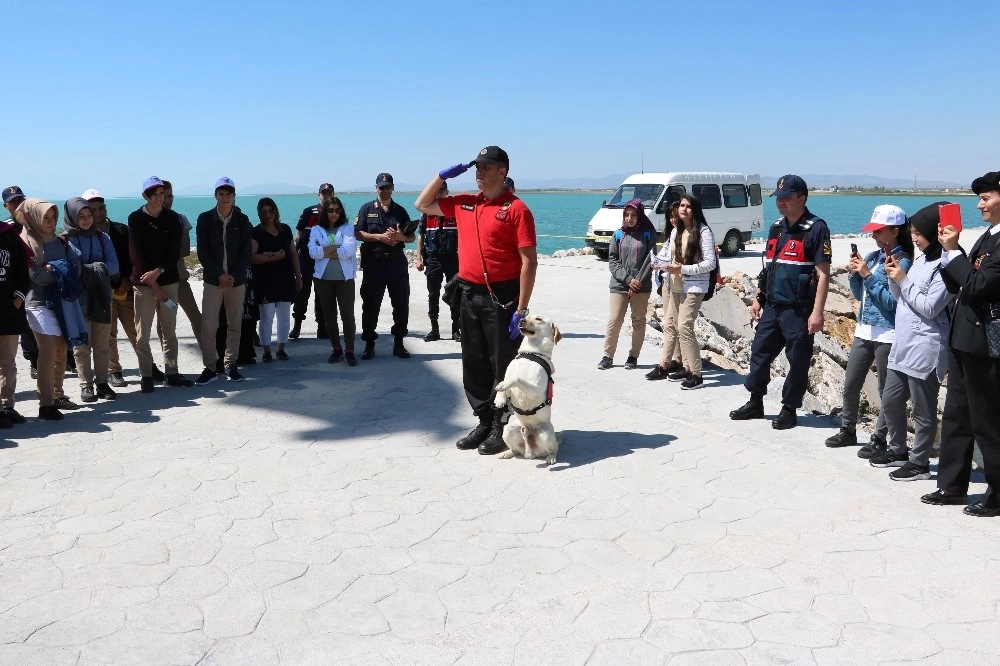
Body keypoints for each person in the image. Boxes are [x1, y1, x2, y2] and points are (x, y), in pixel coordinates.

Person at [415, 145, 537, 455]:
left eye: (486, 166)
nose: (479, 172)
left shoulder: (517, 209)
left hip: (502, 298)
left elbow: (529, 262)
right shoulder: (465, 204)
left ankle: (501, 425)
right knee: (474, 362)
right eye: (476, 167)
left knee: (502, 365)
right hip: (468, 295)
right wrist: (442, 175)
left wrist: (521, 309)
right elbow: (422, 204)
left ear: (502, 171)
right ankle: (484, 420)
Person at [924, 172, 1000, 517]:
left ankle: (997, 492)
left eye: (986, 197)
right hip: (964, 335)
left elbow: (979, 283)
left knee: (987, 419)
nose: (980, 204)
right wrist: (948, 253)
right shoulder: (988, 237)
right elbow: (961, 283)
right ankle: (953, 485)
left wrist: (954, 253)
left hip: (986, 341)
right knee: (957, 415)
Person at [730, 175, 832, 429]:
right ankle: (756, 401)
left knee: (797, 359)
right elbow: (770, 268)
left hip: (799, 310)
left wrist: (817, 312)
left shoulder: (816, 228)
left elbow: (823, 274)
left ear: (802, 198)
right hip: (772, 306)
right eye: (779, 198)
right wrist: (758, 298)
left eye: (787, 198)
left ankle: (789, 409)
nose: (781, 203)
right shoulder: (777, 227)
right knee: (759, 353)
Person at [825, 205, 913, 451]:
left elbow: (892, 304)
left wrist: (867, 275)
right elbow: (859, 295)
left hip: (888, 333)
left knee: (888, 390)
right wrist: (855, 274)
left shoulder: (902, 261)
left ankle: (880, 438)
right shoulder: (875, 257)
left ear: (894, 231)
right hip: (864, 330)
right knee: (851, 382)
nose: (873, 235)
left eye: (878, 231)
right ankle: (848, 429)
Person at [877, 203, 953, 481]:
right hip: (904, 341)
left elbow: (931, 307)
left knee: (923, 409)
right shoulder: (921, 260)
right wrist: (894, 278)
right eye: (913, 232)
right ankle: (897, 450)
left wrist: (903, 281)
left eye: (919, 233)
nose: (915, 239)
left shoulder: (946, 264)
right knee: (891, 399)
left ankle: (919, 462)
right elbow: (903, 300)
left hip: (926, 345)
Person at [83, 188, 162, 387]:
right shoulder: (84, 238)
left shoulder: (121, 230)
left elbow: (133, 256)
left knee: (136, 331)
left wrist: (127, 280)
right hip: (102, 294)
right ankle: (114, 371)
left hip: (126, 290)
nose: (98, 213)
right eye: (93, 210)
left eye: (101, 208)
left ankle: (148, 367)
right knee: (108, 334)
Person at [16, 199, 85, 419]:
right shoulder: (26, 242)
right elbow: (37, 276)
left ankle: (57, 395)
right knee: (48, 352)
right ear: (34, 217)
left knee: (61, 350)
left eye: (52, 217)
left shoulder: (61, 242)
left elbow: (75, 268)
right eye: (44, 217)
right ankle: (45, 404)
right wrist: (59, 270)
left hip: (61, 303)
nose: (50, 221)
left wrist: (53, 268)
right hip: (37, 303)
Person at [128, 176, 194, 393]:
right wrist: (153, 283)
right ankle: (146, 375)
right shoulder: (135, 218)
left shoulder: (173, 218)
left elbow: (174, 250)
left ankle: (171, 373)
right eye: (154, 194)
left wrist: (159, 272)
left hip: (168, 281)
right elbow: (136, 254)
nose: (159, 198)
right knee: (143, 333)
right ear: (145, 196)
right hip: (144, 285)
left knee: (169, 332)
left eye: (161, 194)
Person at [645, 195, 717, 389]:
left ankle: (696, 374)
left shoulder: (703, 232)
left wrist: (683, 269)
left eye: (688, 206)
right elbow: (668, 255)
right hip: (674, 286)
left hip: (693, 287)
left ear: (695, 210)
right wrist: (658, 263)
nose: (683, 209)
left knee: (684, 326)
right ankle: (684, 367)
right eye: (682, 205)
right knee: (671, 325)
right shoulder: (677, 230)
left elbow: (710, 263)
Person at [195, 177, 254, 384]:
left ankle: (230, 365)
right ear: (216, 196)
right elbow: (203, 251)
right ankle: (210, 367)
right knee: (209, 326)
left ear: (234, 196)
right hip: (213, 282)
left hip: (236, 283)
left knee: (234, 325)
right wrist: (219, 274)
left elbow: (246, 252)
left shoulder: (243, 220)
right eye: (221, 193)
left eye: (229, 193)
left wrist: (234, 276)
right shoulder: (204, 219)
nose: (225, 197)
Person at [63, 197, 119, 403]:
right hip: (79, 300)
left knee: (102, 343)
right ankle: (86, 384)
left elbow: (114, 265)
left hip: (103, 297)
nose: (86, 220)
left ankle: (102, 382)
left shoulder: (103, 237)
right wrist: (97, 268)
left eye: (89, 215)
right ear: (71, 217)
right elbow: (70, 269)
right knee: (82, 345)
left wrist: (93, 269)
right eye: (81, 216)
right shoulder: (64, 240)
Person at [355, 173, 414, 360]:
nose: (385, 190)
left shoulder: (400, 211)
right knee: (371, 303)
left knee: (400, 303)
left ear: (393, 188)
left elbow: (411, 236)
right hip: (375, 262)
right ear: (376, 188)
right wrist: (380, 237)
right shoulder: (366, 209)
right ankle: (369, 344)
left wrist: (400, 238)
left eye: (388, 187)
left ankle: (399, 343)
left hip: (396, 262)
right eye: (382, 187)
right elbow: (358, 233)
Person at [598, 198, 658, 370]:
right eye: (626, 215)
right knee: (615, 319)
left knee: (638, 321)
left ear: (640, 216)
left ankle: (633, 357)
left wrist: (637, 281)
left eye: (633, 215)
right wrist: (628, 280)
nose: (629, 218)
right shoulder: (618, 234)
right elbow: (612, 261)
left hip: (641, 285)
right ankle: (607, 356)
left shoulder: (648, 234)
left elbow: (650, 260)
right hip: (619, 285)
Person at [309, 198, 359, 366]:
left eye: (337, 210)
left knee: (347, 316)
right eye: (330, 210)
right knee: (329, 316)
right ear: (325, 212)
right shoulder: (316, 229)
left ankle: (349, 350)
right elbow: (312, 252)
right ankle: (336, 349)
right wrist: (336, 248)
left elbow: (348, 251)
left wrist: (324, 250)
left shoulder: (347, 228)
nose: (334, 213)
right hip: (323, 280)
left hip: (344, 279)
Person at [252, 197, 301, 363]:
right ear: (260, 213)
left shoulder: (285, 230)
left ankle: (281, 348)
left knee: (284, 315)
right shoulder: (256, 232)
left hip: (285, 279)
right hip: (265, 281)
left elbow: (293, 254)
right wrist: (271, 259)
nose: (268, 214)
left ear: (275, 211)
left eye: (270, 210)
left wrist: (298, 276)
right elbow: (252, 258)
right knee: (266, 317)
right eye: (264, 212)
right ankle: (266, 350)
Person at [415, 181, 461, 342]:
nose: (439, 194)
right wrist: (419, 257)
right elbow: (421, 236)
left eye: (442, 192)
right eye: (437, 192)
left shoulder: (455, 212)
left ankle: (457, 329)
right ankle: (434, 329)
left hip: (452, 257)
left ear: (447, 193)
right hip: (433, 257)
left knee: (455, 293)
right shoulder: (427, 213)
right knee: (432, 294)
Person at [3, 186, 39, 380]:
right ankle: (34, 361)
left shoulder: (37, 223)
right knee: (26, 322)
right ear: (5, 205)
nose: (18, 204)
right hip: (17, 283)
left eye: (20, 200)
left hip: (39, 280)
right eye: (13, 201)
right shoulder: (6, 229)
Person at [290, 183, 333, 340]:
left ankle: (322, 328)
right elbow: (299, 233)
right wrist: (295, 252)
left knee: (322, 295)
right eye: (324, 192)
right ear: (319, 194)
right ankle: (297, 327)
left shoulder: (335, 213)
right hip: (307, 259)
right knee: (302, 292)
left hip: (325, 260)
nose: (326, 195)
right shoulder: (309, 211)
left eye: (329, 192)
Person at [163, 180, 202, 345]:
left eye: (170, 195)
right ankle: (169, 363)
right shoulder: (148, 222)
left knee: (196, 318)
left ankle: (209, 356)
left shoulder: (181, 219)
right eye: (164, 196)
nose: (168, 199)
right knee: (164, 325)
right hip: (162, 284)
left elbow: (185, 249)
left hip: (180, 281)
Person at [0, 211, 30, 427]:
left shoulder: (8, 234)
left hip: (8, 311)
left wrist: (18, 299)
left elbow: (22, 269)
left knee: (8, 363)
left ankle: (7, 405)